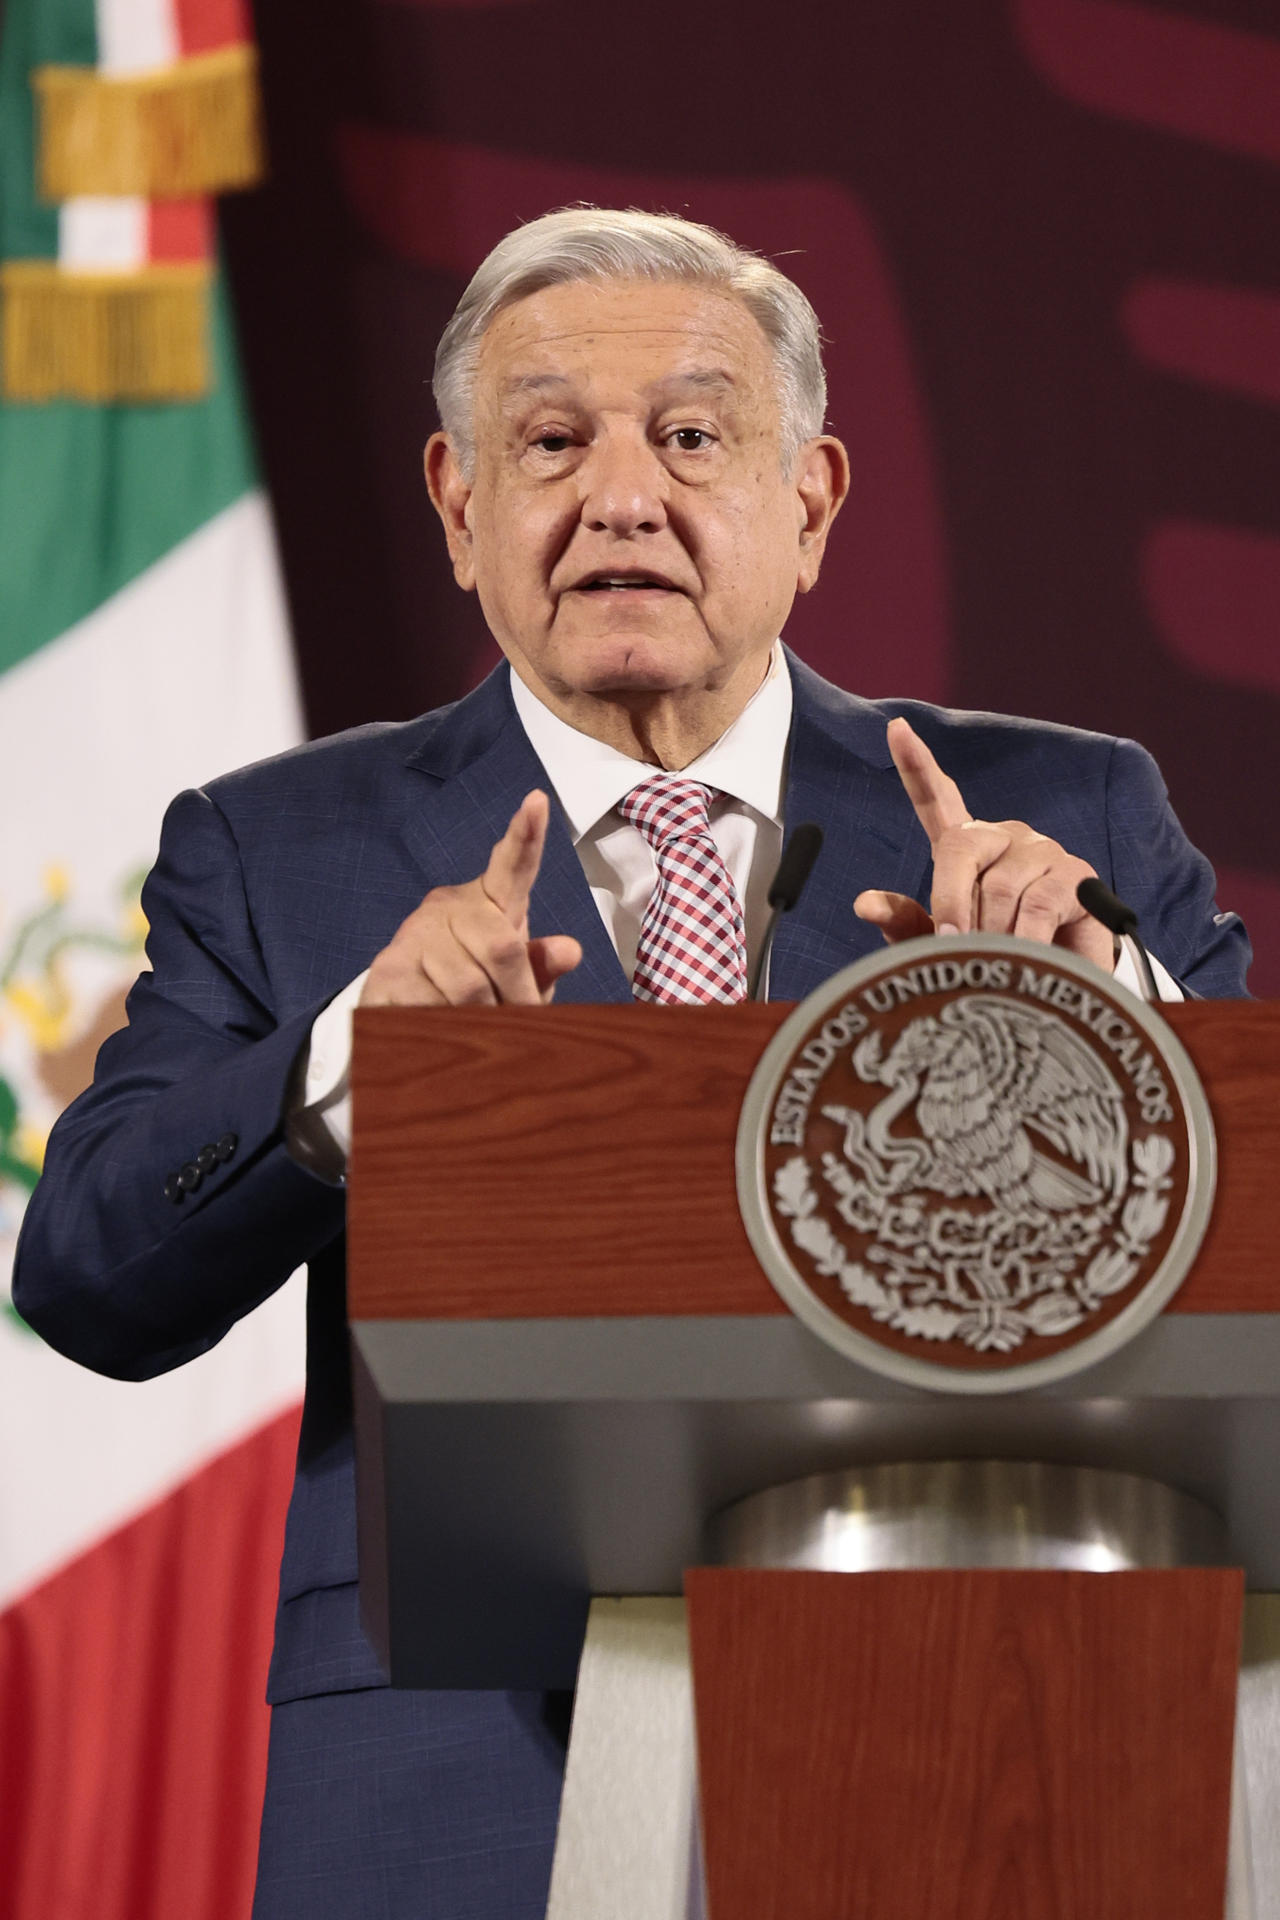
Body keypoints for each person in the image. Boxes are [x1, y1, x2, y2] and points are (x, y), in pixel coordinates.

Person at [13, 208, 1249, 1918]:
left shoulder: (1066, 816)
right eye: (549, 442)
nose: (620, 496)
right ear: (460, 507)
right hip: (456, 1779)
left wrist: (1107, 1019)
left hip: (982, 1729)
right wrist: (361, 1063)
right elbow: (85, 1273)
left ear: (809, 501)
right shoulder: (279, 851)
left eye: (688, 435)